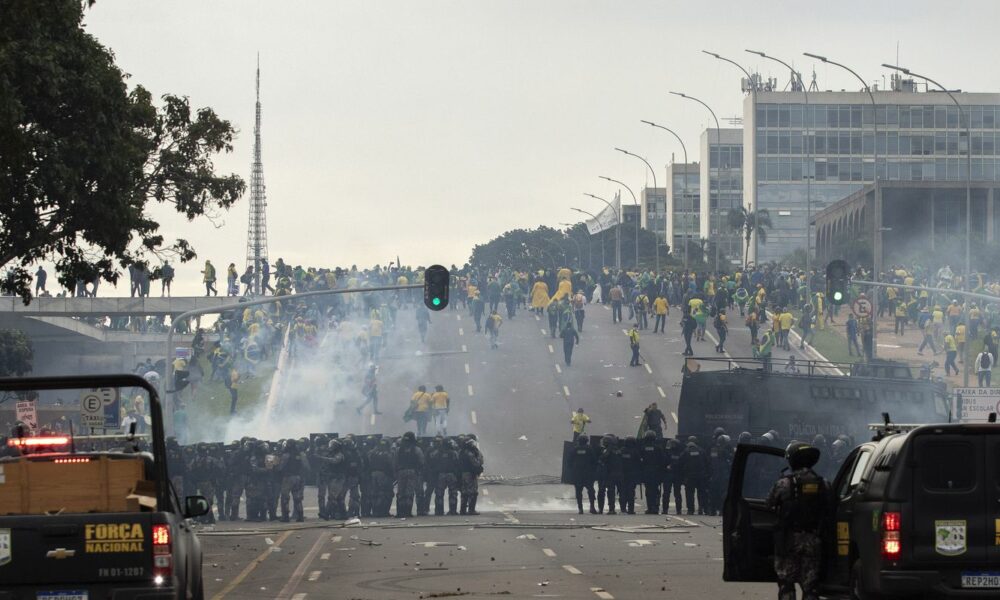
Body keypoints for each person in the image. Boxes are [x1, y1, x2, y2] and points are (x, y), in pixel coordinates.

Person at [767, 442, 830, 600]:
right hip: (814, 540)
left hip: (788, 541)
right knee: (810, 587)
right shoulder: (824, 484)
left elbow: (769, 504)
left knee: (786, 585)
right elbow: (832, 508)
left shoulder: (784, 483)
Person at [393, 431, 424, 518]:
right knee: (409, 493)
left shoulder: (398, 450)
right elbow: (421, 462)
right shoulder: (417, 449)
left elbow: (395, 462)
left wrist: (395, 473)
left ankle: (400, 512)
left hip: (401, 472)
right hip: (412, 472)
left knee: (400, 493)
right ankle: (407, 512)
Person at [639, 430, 667, 514]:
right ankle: (656, 507)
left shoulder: (642, 448)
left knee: (648, 490)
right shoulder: (658, 448)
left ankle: (650, 507)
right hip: (656, 472)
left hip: (646, 472)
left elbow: (639, 460)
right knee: (656, 490)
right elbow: (663, 460)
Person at [568, 435, 597, 514]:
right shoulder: (589, 449)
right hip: (588, 474)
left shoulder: (574, 449)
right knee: (591, 490)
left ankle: (580, 509)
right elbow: (594, 461)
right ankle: (592, 507)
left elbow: (569, 461)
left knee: (578, 492)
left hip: (577, 474)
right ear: (586, 441)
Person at [459, 437, 483, 515]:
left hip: (464, 474)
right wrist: (478, 454)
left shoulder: (462, 452)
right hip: (470, 474)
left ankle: (462, 510)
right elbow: (477, 463)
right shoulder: (469, 453)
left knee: (464, 492)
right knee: (473, 492)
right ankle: (471, 510)